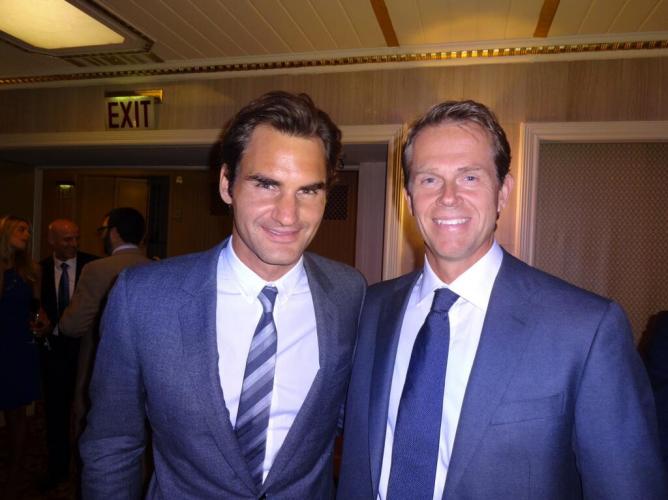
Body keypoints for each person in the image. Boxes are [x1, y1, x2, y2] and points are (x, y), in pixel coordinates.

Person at [337, 100, 668, 499]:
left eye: (469, 177)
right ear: (408, 199)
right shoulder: (368, 310)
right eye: (429, 179)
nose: (448, 197)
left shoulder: (585, 329)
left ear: (503, 192)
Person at [78, 91, 366, 499]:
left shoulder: (349, 293)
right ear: (227, 183)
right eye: (266, 184)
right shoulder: (143, 298)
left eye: (308, 191)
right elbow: (112, 443)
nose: (288, 215)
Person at [59, 207, 149, 438]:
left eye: (103, 230)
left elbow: (73, 326)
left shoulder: (96, 270)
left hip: (104, 371)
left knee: (98, 439)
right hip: (148, 373)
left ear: (114, 233)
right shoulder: (158, 268)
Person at [38, 218, 97, 489]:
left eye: (76, 238)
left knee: (88, 414)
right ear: (52, 241)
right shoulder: (38, 270)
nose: (74, 244)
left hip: (88, 354)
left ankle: (87, 470)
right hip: (52, 355)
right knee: (55, 415)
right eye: (66, 239)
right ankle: (58, 469)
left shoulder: (93, 266)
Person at [0, 215, 48, 497]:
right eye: (21, 230)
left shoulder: (31, 269)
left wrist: (41, 321)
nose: (27, 235)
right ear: (5, 233)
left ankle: (15, 471)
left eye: (29, 231)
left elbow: (37, 309)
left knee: (17, 412)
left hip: (19, 346)